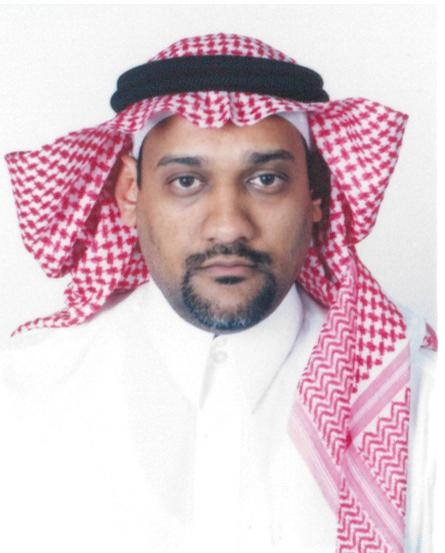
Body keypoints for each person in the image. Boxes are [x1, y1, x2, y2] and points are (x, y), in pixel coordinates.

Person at [0, 33, 436, 553]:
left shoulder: (421, 401)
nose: (228, 226)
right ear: (130, 194)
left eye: (266, 180)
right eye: (186, 182)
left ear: (316, 193)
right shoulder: (23, 395)